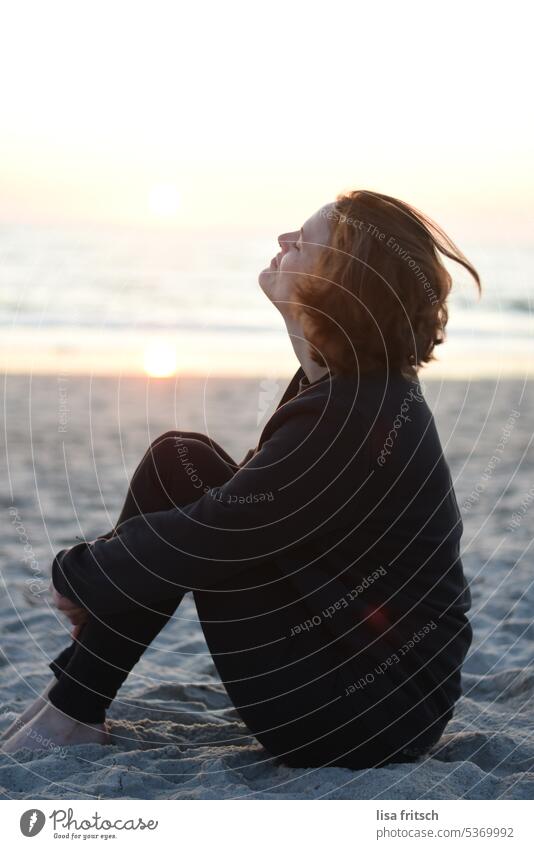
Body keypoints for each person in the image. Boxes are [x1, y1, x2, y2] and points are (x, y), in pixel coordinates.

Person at [2, 190, 480, 768]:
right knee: (182, 463)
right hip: (373, 689)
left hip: (366, 715)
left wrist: (79, 575)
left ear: (340, 283)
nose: (283, 241)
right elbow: (240, 515)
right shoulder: (344, 391)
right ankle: (70, 706)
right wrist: (107, 578)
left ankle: (71, 709)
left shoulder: (355, 411)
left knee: (186, 489)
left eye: (303, 242)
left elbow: (219, 531)